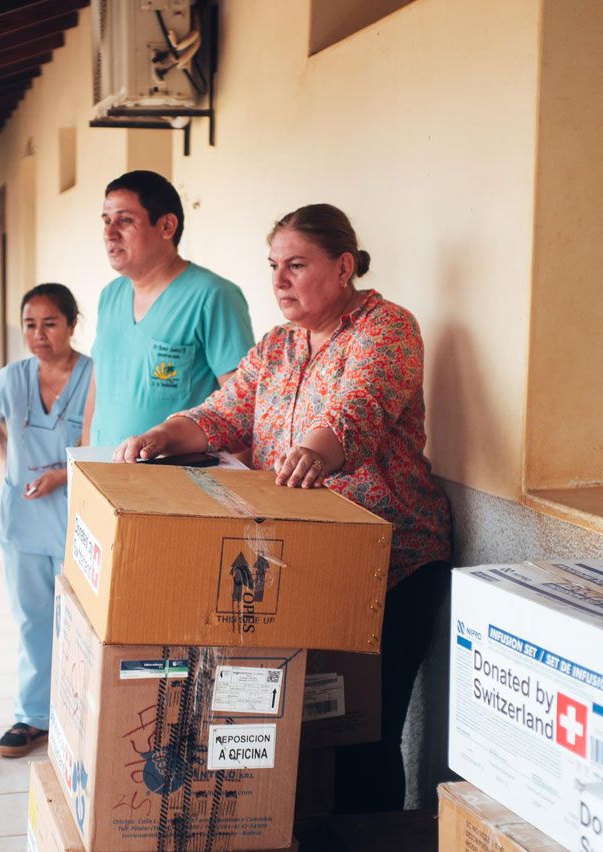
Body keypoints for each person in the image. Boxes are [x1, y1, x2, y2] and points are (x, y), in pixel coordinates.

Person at [115, 204, 452, 813]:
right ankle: (308, 850)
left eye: (296, 265)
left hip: (389, 561)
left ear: (343, 266)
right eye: (274, 266)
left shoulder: (387, 328)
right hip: (300, 558)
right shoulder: (278, 345)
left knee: (364, 728)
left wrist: (316, 453)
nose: (279, 282)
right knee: (302, 720)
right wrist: (168, 432)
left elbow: (359, 411)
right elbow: (224, 411)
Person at [0, 285, 95, 757]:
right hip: (22, 519)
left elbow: (99, 443)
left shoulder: (94, 377)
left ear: (71, 324)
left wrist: (62, 475)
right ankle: (33, 715)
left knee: (80, 622)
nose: (38, 335)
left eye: (50, 323)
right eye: (29, 324)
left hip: (76, 518)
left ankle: (82, 713)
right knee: (32, 619)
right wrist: (6, 459)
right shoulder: (13, 378)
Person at [87, 170, 254, 450]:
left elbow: (242, 406)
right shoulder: (110, 296)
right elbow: (97, 389)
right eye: (106, 221)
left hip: (176, 482)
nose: (109, 233)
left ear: (167, 226)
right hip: (103, 472)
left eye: (125, 220)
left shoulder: (212, 296)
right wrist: (81, 459)